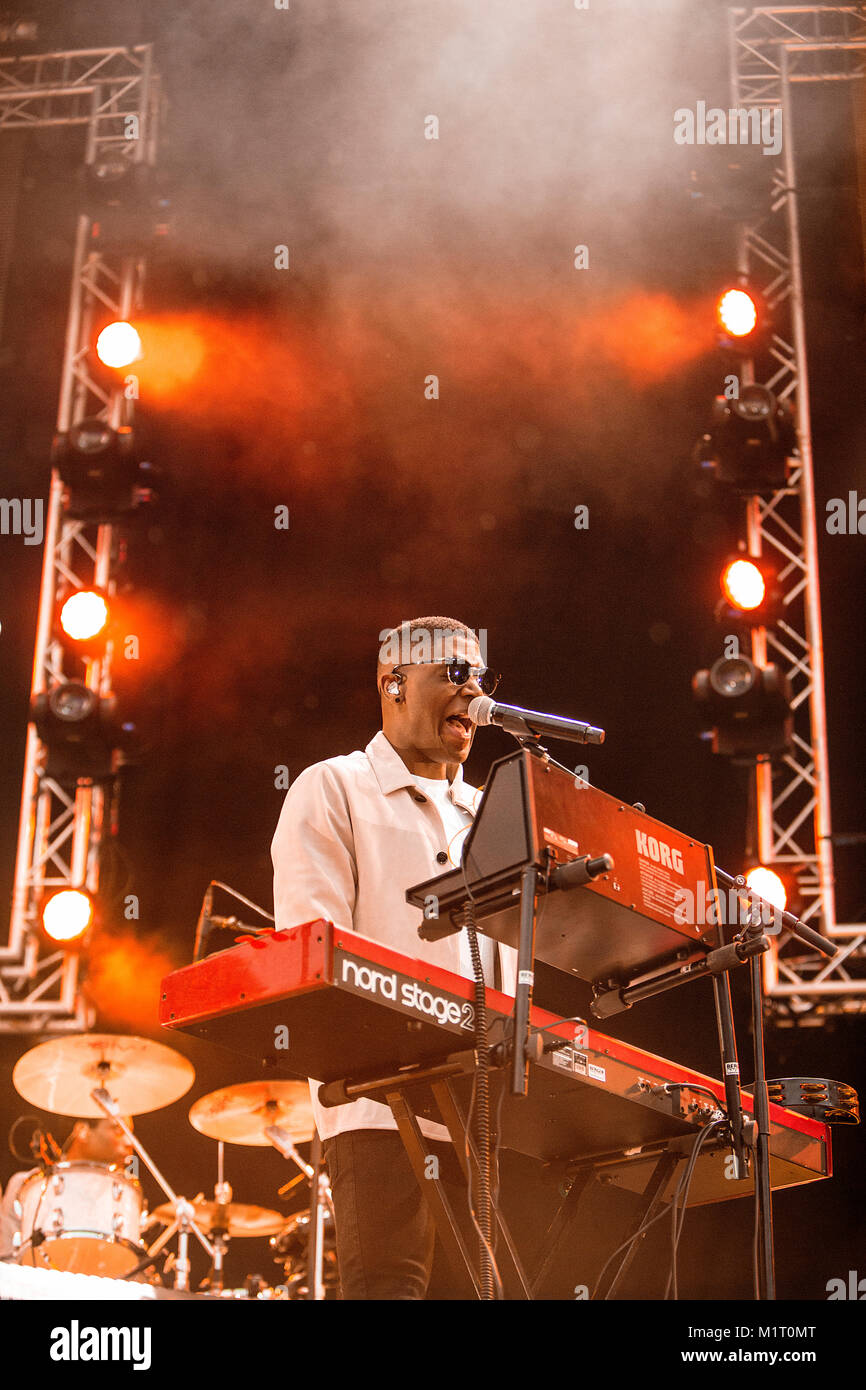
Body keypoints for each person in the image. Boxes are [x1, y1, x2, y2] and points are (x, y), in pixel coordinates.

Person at [271, 616, 517, 1298]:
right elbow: (311, 957)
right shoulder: (332, 788)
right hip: (378, 1108)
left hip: (485, 1113)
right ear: (395, 682)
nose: (473, 695)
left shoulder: (494, 817)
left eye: (482, 679)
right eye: (456, 675)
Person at [0, 1116, 135, 1262]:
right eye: (118, 1130)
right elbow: (6, 1258)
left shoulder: (125, 1196)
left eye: (131, 1133)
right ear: (83, 1131)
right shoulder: (25, 1185)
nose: (129, 1142)